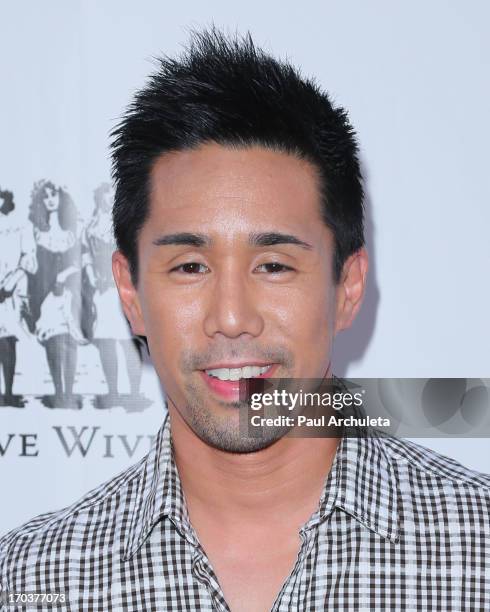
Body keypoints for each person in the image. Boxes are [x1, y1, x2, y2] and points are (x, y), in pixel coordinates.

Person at [1, 29, 489, 611]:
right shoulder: (31, 580)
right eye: (189, 266)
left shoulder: (475, 549)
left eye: (274, 265)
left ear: (348, 287)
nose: (231, 318)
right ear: (130, 292)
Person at [81, 182, 144, 408]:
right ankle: (113, 391)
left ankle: (134, 392)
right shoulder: (89, 228)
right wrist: (93, 278)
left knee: (129, 343)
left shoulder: (132, 225)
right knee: (107, 340)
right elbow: (86, 257)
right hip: (104, 291)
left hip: (119, 289)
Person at [21, 180, 82, 406]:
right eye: (45, 197)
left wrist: (64, 276)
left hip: (70, 295)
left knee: (70, 340)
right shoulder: (36, 233)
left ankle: (68, 392)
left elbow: (81, 262)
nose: (50, 199)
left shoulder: (75, 230)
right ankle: (59, 391)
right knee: (52, 341)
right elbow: (33, 267)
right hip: (46, 296)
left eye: (53, 194)